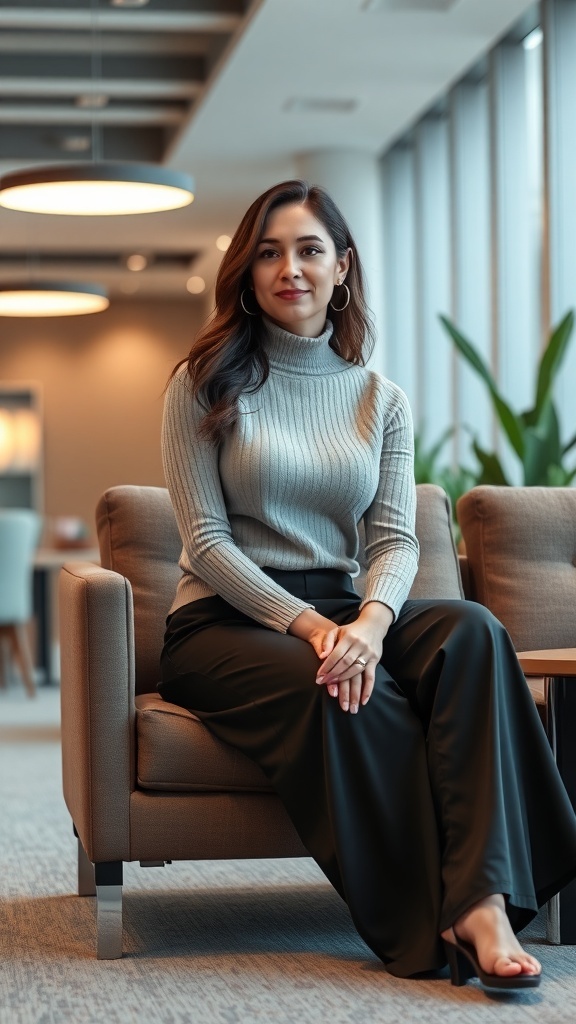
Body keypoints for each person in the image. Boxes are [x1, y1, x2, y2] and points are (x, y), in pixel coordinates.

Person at [159, 178, 576, 992]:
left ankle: (482, 897)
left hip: (349, 605)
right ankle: (444, 916)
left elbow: (392, 539)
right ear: (246, 272)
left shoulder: (381, 398)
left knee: (473, 632)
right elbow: (205, 545)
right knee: (349, 692)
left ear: (342, 267)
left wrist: (373, 623)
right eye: (269, 252)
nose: (291, 268)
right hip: (224, 622)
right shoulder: (202, 381)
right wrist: (318, 631)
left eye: (310, 250)